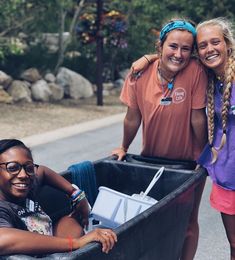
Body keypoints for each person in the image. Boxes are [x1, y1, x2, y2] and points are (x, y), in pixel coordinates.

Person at [112, 18, 208, 260]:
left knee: (187, 221)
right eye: (173, 46)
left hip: (188, 163)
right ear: (160, 46)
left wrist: (203, 153)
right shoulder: (139, 74)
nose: (178, 54)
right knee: (151, 222)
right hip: (150, 159)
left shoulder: (195, 72)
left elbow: (198, 118)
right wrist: (123, 146)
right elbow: (132, 118)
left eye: (186, 49)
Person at [0, 139, 117, 256]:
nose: (23, 175)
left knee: (69, 220)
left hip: (52, 243)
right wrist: (76, 243)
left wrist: (77, 195)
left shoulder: (27, 186)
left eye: (29, 167)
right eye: (12, 167)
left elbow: (43, 171)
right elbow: (3, 240)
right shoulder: (3, 207)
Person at [195, 17, 235, 260]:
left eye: (215, 42)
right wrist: (146, 58)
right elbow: (173, 55)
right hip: (226, 176)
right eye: (203, 45)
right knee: (234, 245)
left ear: (227, 44)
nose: (209, 49)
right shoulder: (210, 81)